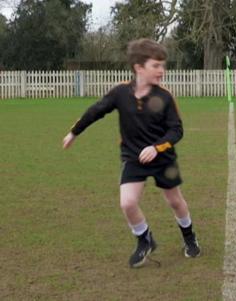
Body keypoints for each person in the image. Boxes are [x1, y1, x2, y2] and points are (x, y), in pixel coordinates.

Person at [62, 38, 200, 268]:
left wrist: (156, 148)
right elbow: (96, 111)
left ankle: (189, 237)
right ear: (139, 67)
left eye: (162, 65)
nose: (161, 70)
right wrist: (74, 133)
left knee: (175, 201)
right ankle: (144, 239)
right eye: (156, 65)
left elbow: (176, 130)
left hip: (163, 158)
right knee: (127, 203)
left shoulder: (164, 97)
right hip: (133, 157)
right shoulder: (120, 93)